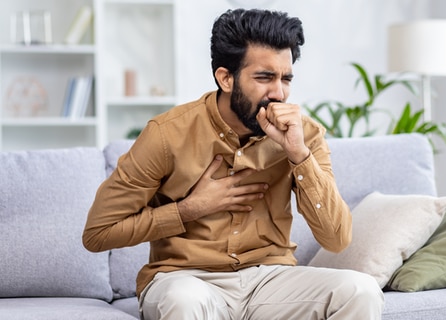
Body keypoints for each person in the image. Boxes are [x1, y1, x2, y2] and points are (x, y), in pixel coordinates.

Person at [83, 8, 383, 320]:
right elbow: (98, 233)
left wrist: (298, 155)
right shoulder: (167, 135)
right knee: (185, 301)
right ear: (226, 78)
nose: (278, 93)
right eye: (265, 77)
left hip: (269, 281)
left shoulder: (304, 135)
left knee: (359, 290)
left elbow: (337, 239)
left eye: (286, 78)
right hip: (185, 278)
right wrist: (189, 209)